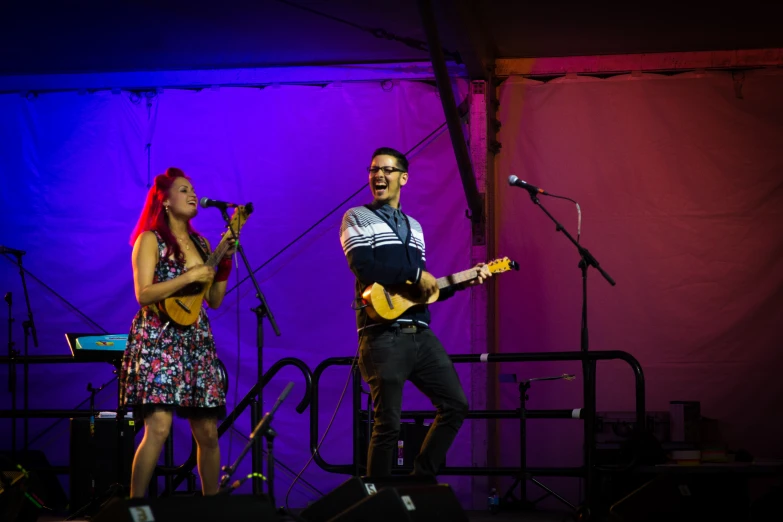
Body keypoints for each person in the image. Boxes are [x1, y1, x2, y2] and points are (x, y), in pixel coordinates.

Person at [339, 147, 492, 477]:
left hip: (419, 333)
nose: (378, 175)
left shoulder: (415, 227)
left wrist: (466, 280)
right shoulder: (356, 217)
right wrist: (412, 274)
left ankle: (420, 480)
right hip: (382, 336)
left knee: (455, 405)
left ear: (403, 178)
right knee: (387, 425)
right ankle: (377, 504)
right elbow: (363, 265)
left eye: (387, 170)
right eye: (373, 169)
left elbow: (421, 290)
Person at [120, 167, 235, 497]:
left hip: (196, 340)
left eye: (193, 189)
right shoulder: (150, 240)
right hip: (158, 337)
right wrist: (187, 277)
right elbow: (143, 293)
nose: (192, 194)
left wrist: (223, 264)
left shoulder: (201, 243)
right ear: (165, 200)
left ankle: (211, 508)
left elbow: (213, 300)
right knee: (158, 427)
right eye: (183, 190)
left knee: (208, 432)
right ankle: (136, 508)